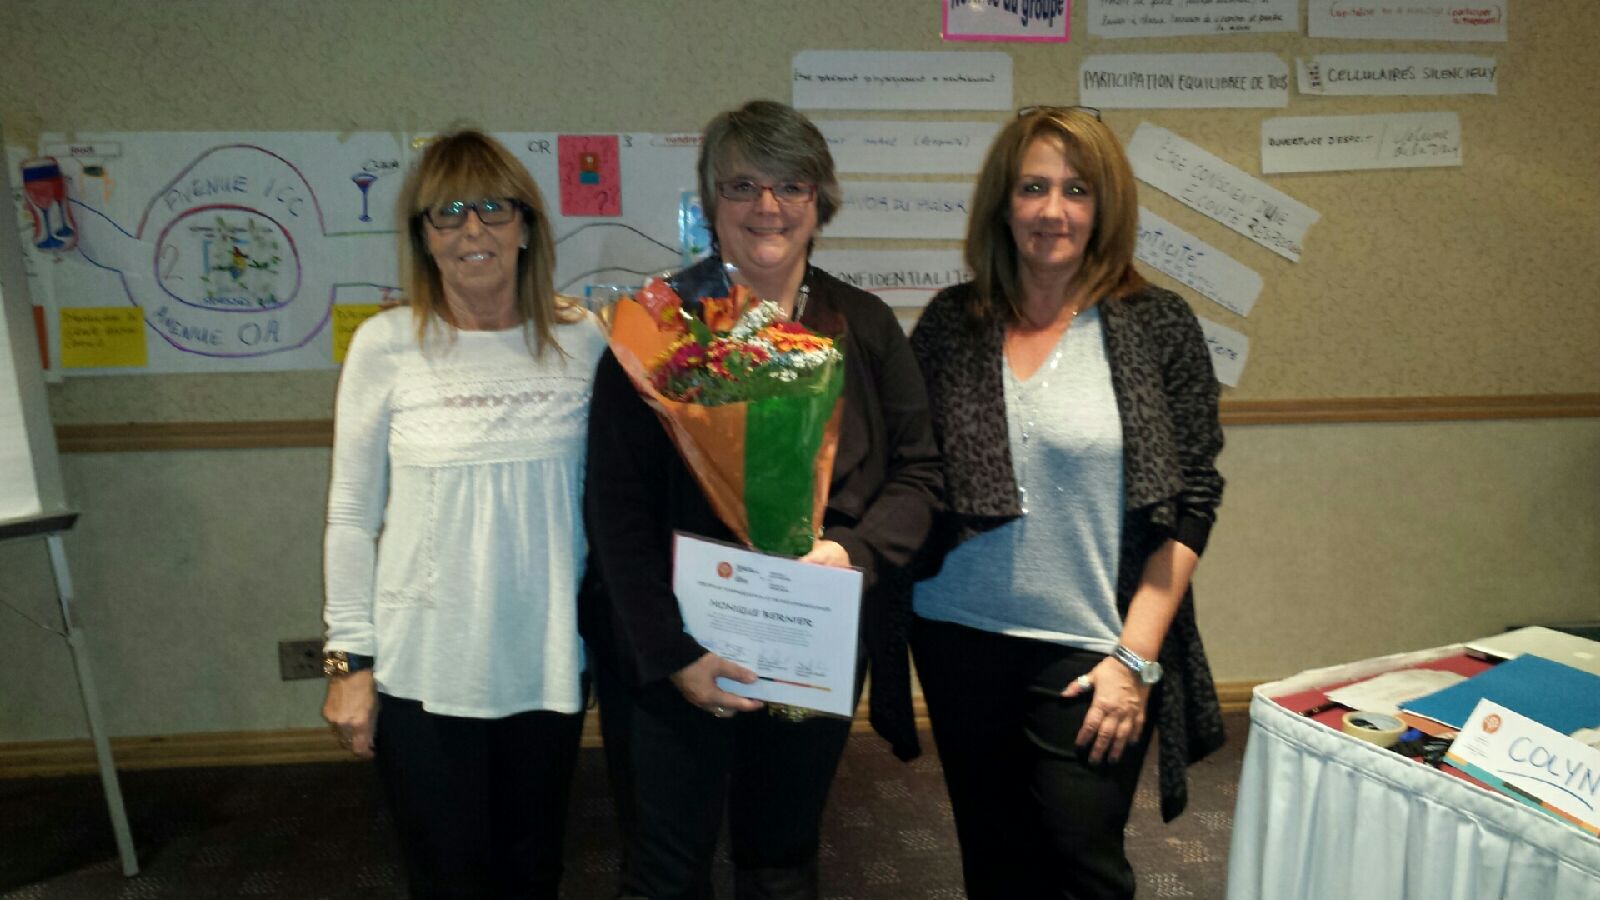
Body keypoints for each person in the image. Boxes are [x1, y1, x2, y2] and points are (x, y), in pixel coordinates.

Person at [582, 99, 943, 900]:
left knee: (781, 857)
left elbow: (922, 476)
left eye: (792, 184)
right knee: (666, 867)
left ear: (821, 201)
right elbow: (616, 512)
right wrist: (675, 656)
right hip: (669, 647)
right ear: (710, 202)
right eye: (742, 185)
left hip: (808, 638)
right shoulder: (656, 327)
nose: (768, 206)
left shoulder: (865, 325)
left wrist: (851, 553)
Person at [907, 106, 1228, 900]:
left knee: (1082, 861)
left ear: (1105, 205)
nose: (1054, 210)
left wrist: (1134, 658)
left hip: (1093, 646)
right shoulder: (954, 321)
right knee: (993, 856)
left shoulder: (1156, 324)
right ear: (1003, 203)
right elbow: (912, 473)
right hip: (957, 634)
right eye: (1034, 187)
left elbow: (1191, 500)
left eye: (1076, 189)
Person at [320, 129, 607, 899]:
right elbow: (350, 514)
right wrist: (351, 663)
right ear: (422, 235)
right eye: (447, 212)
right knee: (446, 877)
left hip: (546, 660)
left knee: (533, 871)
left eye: (492, 208)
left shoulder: (584, 343)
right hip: (424, 671)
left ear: (526, 225)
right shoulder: (386, 345)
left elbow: (616, 503)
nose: (472, 230)